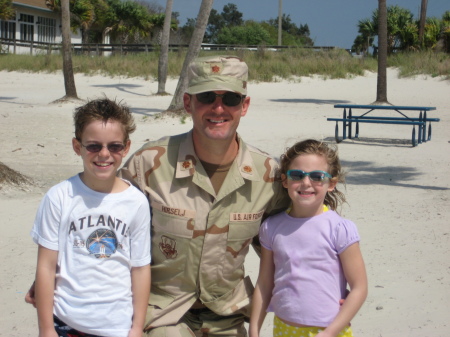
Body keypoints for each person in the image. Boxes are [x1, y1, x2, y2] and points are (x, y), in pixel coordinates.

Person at [118, 55, 291, 336]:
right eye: (206, 96)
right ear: (188, 103)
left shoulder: (268, 175)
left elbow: (291, 247)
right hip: (164, 313)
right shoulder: (148, 164)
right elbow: (107, 227)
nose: (218, 108)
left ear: (244, 106)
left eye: (231, 99)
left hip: (229, 314)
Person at [30, 98, 151, 337]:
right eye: (94, 146)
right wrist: (45, 329)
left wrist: (137, 327)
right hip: (66, 321)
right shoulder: (59, 197)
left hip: (118, 324)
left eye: (114, 146)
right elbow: (46, 266)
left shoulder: (136, 202)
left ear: (126, 148)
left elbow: (140, 268)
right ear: (78, 146)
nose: (104, 154)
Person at [250, 139, 368, 337]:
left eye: (316, 176)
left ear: (331, 183)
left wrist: (329, 333)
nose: (306, 182)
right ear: (285, 180)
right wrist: (254, 329)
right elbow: (264, 283)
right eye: (297, 175)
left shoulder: (340, 229)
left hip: (330, 330)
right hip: (283, 328)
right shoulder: (271, 227)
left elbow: (359, 287)